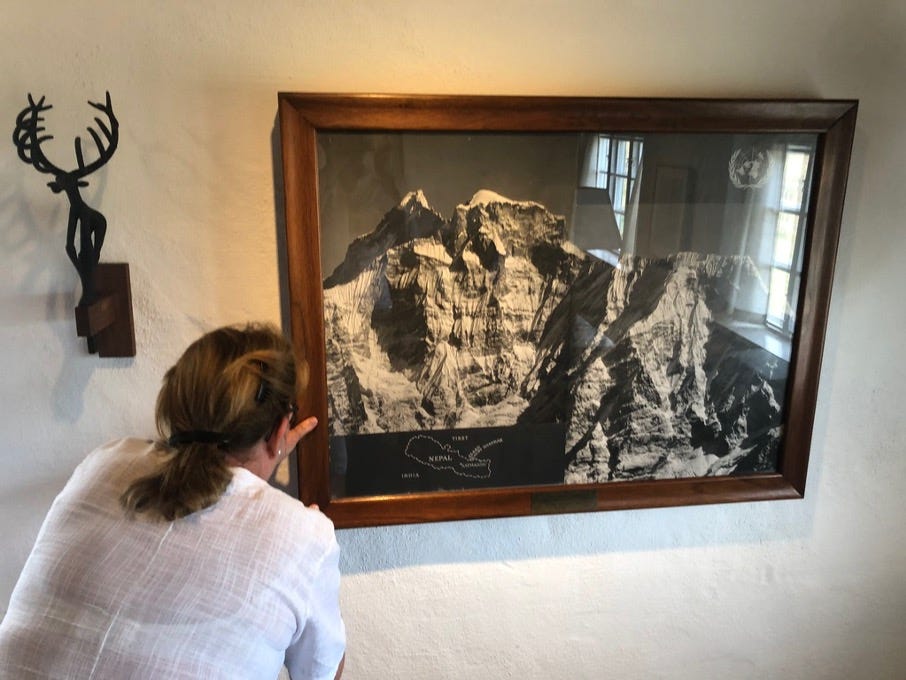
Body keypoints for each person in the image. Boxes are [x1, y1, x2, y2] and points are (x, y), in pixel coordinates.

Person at [0, 323, 345, 679]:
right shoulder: (304, 535)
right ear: (279, 429)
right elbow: (323, 673)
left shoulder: (104, 462)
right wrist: (299, 532)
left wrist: (261, 464)